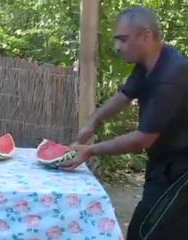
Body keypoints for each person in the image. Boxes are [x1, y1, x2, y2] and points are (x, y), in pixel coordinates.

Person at [58, 6, 188, 240]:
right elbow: (123, 96)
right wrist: (93, 122)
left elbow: (142, 138)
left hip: (182, 170)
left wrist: (90, 150)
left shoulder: (171, 75)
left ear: (145, 36)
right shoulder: (150, 64)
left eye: (122, 39)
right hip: (164, 165)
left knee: (143, 231)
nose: (117, 46)